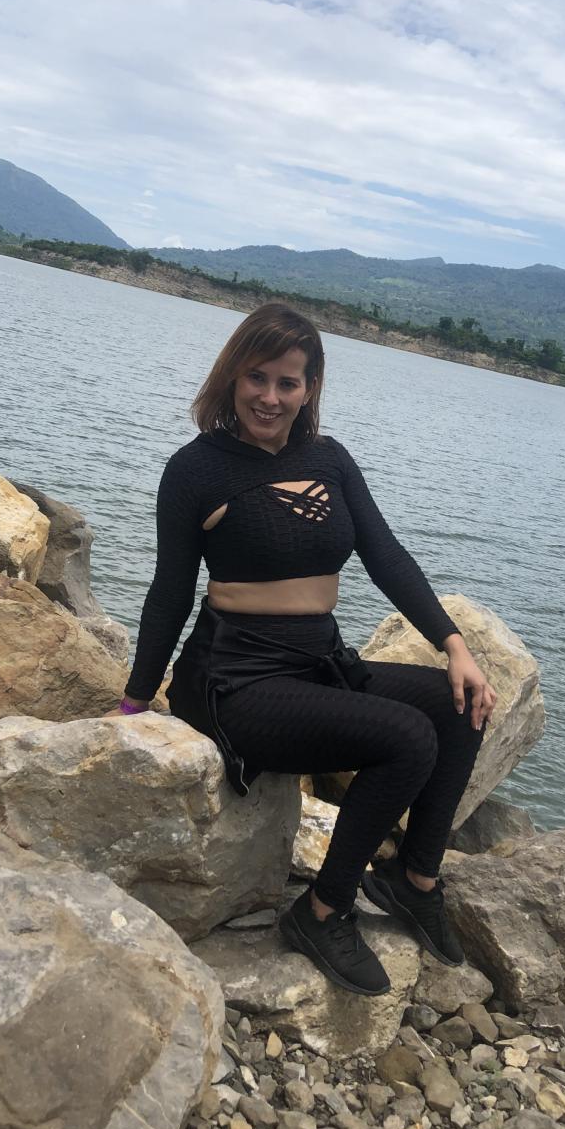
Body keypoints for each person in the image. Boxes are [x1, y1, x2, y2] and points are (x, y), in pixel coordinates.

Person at [117, 303, 497, 995]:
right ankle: (322, 911)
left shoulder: (330, 459)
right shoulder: (196, 470)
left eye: (286, 382)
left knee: (461, 703)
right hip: (235, 681)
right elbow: (169, 592)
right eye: (256, 378)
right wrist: (134, 703)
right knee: (406, 737)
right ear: (232, 378)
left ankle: (414, 879)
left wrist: (454, 646)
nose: (269, 397)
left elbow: (386, 556)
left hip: (319, 665)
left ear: (310, 387)